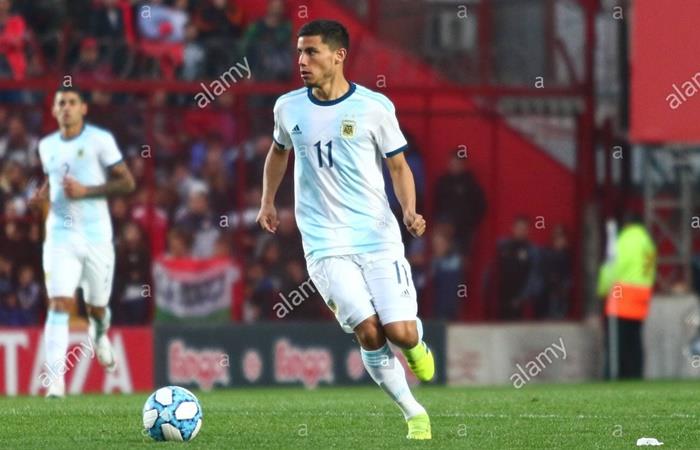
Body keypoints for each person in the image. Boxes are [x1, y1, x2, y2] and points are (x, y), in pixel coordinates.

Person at [256, 20, 433, 440]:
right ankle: (414, 413)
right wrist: (267, 200)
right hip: (324, 243)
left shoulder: (374, 107)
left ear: (339, 56)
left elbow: (398, 166)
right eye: (300, 52)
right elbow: (278, 152)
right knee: (368, 330)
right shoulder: (287, 108)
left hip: (377, 236)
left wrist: (409, 210)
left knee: (400, 331)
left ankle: (415, 343)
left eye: (311, 52)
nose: (302, 61)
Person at [29, 85, 136, 398]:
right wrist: (42, 196)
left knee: (97, 308)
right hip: (60, 236)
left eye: (72, 102)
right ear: (54, 110)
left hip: (96, 236)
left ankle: (99, 335)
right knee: (59, 302)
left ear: (83, 109)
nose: (66, 107)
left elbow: (127, 183)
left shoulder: (100, 140)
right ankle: (55, 382)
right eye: (61, 102)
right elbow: (54, 178)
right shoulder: (46, 145)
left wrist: (87, 191)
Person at [597, 212, 656, 379]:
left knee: (616, 344)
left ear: (627, 224)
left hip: (622, 297)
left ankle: (613, 375)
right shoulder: (648, 243)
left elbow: (613, 267)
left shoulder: (625, 240)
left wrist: (602, 288)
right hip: (641, 298)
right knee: (634, 342)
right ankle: (634, 375)